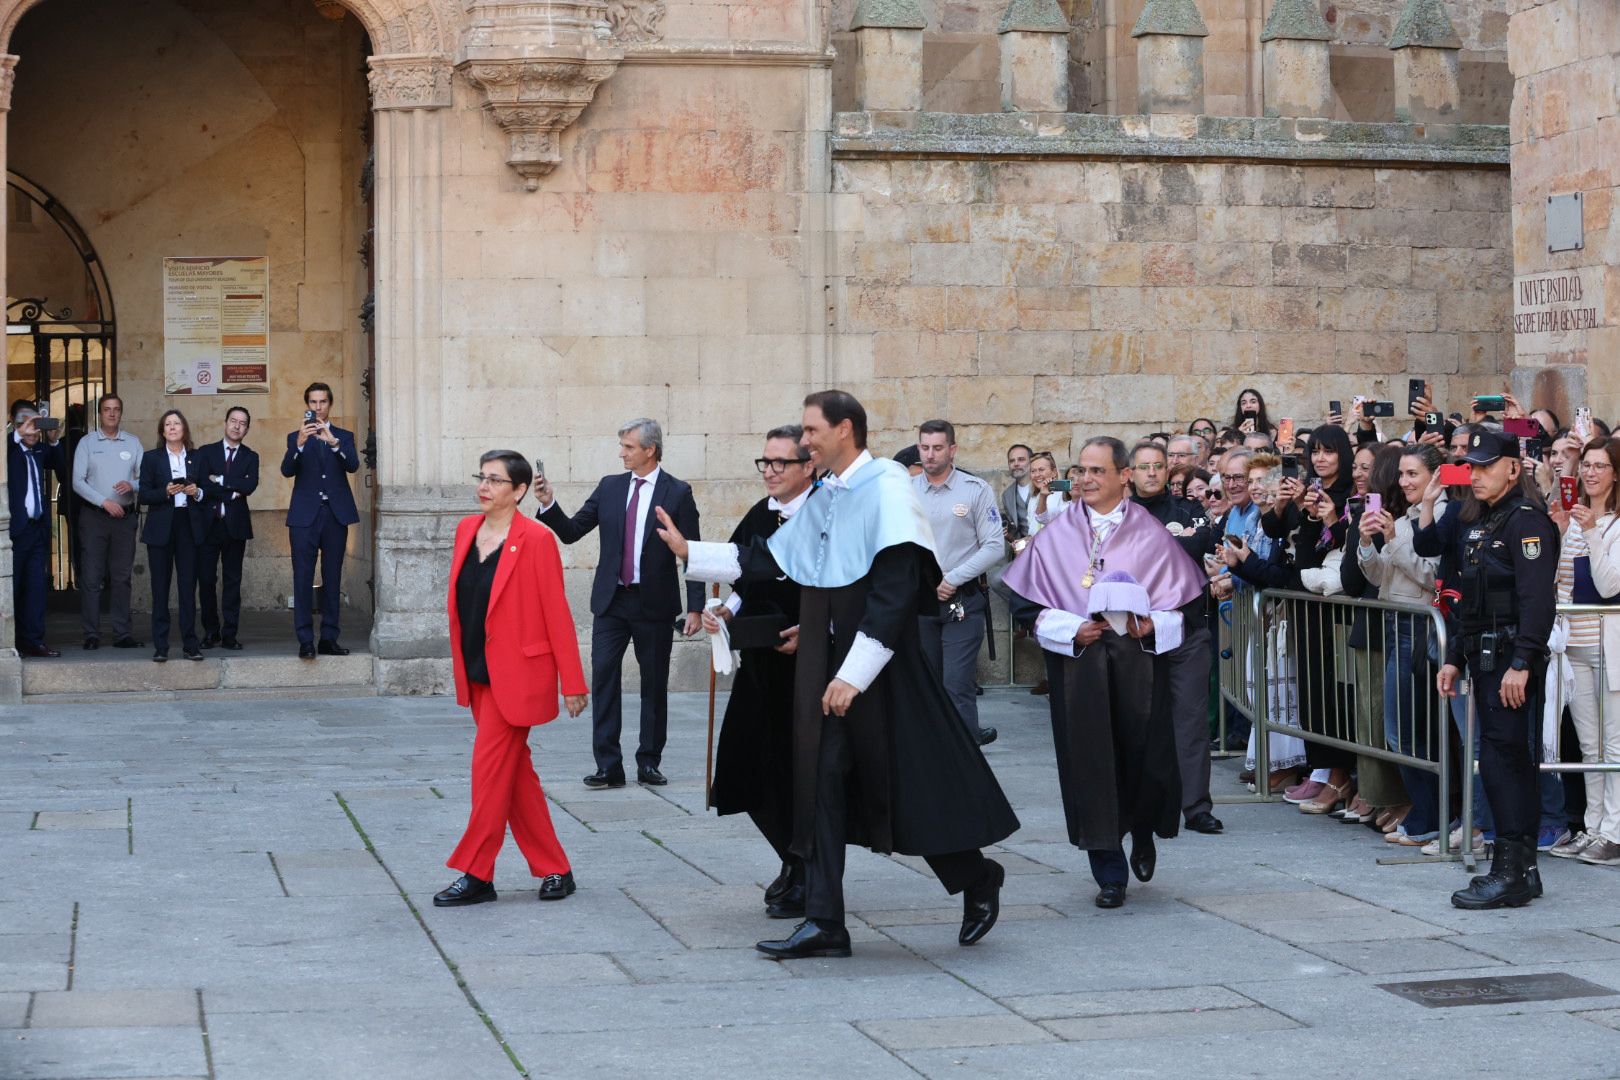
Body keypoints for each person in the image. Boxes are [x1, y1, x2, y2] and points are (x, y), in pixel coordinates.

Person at [659, 390, 1018, 959]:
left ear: (844, 429)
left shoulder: (887, 489)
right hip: (829, 670)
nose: (804, 442)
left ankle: (976, 877)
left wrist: (853, 673)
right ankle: (827, 923)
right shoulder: (831, 493)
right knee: (822, 786)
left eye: (810, 430)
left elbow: (896, 592)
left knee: (904, 787)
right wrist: (690, 553)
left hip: (879, 673)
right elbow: (775, 558)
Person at [1007, 436, 1205, 907]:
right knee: (1091, 762)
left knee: (1141, 757)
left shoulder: (1150, 532)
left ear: (1124, 477)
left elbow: (1192, 607)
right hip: (1081, 669)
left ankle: (1141, 832)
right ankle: (1108, 869)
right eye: (1081, 471)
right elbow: (1022, 603)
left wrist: (1154, 623)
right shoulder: (1056, 533)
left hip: (1139, 667)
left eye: (1098, 471)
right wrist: (1070, 628)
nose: (1087, 480)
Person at [434, 450, 588, 908]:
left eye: (495, 480)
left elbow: (557, 614)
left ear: (519, 491)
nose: (484, 487)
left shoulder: (537, 540)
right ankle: (556, 867)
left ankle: (477, 872)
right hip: (479, 672)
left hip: (519, 675)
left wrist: (573, 682)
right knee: (514, 774)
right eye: (481, 477)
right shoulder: (466, 531)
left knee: (487, 770)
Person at [535, 418, 702, 788]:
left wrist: (695, 607)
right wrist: (549, 503)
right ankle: (608, 765)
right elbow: (573, 531)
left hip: (654, 604)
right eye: (622, 446)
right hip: (611, 603)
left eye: (628, 447)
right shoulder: (610, 487)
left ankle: (649, 761)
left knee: (653, 684)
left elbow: (694, 553)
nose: (621, 453)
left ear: (650, 450)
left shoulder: (677, 493)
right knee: (604, 679)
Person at [1437, 431, 1558, 909]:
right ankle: (1519, 869)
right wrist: (1452, 657)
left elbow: (1536, 601)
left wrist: (1522, 663)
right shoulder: (1481, 521)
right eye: (1472, 467)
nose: (1476, 475)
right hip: (1484, 658)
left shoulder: (1525, 522)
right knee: (1499, 760)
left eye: (1486, 466)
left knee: (1506, 763)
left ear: (1513, 468)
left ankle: (1511, 870)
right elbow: (1470, 601)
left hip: (1511, 661)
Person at [704, 426, 814, 918]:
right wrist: (724, 610)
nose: (769, 471)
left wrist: (814, 630)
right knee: (744, 765)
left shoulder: (826, 513)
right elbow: (742, 576)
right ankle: (790, 858)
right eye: (764, 463)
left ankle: (806, 870)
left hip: (810, 668)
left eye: (780, 463)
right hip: (759, 664)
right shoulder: (758, 514)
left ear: (807, 467)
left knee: (799, 774)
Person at [1357, 444, 1445, 845]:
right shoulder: (1407, 516)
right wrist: (1367, 543)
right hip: (1395, 621)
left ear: (1433, 477)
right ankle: (1426, 813)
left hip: (1419, 625)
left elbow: (1431, 575)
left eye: (1414, 474)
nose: (1405, 482)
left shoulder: (1439, 514)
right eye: (1403, 475)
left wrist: (1394, 539)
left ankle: (1428, 815)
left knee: (1405, 731)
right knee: (1402, 731)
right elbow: (1379, 578)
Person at [1546, 437, 1620, 866]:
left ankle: (1613, 830)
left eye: (1600, 465)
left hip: (1608, 645)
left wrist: (1591, 530)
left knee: (1613, 745)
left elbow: (1610, 586)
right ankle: (1593, 828)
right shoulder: (1577, 518)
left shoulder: (1607, 522)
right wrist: (1567, 530)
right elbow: (1564, 581)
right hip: (1574, 642)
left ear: (1615, 473)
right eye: (1587, 464)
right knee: (1589, 745)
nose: (1590, 472)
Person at [914, 419, 1004, 746]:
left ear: (952, 449)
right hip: (921, 603)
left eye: (938, 448)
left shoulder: (974, 490)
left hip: (959, 603)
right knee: (927, 683)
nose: (930, 454)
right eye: (924, 447)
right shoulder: (907, 493)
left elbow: (994, 545)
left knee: (956, 683)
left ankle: (965, 754)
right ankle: (932, 753)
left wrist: (951, 579)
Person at [281, 381, 360, 659]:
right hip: (304, 516)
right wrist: (300, 446)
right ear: (307, 406)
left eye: (322, 402)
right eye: (313, 403)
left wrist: (334, 443)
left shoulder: (344, 436)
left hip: (335, 514)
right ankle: (305, 640)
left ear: (330, 404)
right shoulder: (295, 436)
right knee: (302, 576)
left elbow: (353, 465)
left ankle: (329, 637)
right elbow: (287, 470)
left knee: (332, 576)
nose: (318, 407)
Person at [72, 394, 142, 651]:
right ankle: (91, 634)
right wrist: (104, 502)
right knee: (91, 577)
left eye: (116, 410)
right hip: (94, 518)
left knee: (122, 578)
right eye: (106, 410)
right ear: (99, 414)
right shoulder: (87, 443)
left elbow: (147, 478)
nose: (111, 414)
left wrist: (132, 484)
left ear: (121, 413)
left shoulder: (133, 443)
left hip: (124, 519)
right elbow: (77, 481)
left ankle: (122, 633)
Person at [139, 410, 206, 663]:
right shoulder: (151, 458)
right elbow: (144, 494)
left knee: (188, 587)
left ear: (184, 429)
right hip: (161, 527)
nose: (172, 427)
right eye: (167, 424)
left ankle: (190, 643)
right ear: (162, 431)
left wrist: (196, 491)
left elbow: (208, 490)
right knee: (160, 588)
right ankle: (161, 645)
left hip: (188, 525)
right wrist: (164, 491)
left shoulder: (197, 458)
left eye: (177, 423)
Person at [195, 407, 259, 650]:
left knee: (233, 581)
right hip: (209, 526)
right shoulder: (206, 453)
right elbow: (202, 484)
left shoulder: (250, 457)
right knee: (207, 580)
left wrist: (219, 481)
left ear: (247, 429)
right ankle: (211, 631)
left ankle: (230, 633)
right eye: (233, 421)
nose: (237, 426)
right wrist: (233, 489)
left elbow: (250, 485)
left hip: (236, 527)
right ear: (225, 423)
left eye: (242, 423)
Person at [8, 402, 66, 657]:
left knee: (35, 589)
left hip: (37, 531)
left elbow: (62, 470)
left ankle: (33, 640)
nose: (33, 432)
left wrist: (53, 442)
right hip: (15, 531)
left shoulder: (41, 449)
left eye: (36, 426)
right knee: (13, 587)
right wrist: (17, 435)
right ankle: (10, 641)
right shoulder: (8, 449)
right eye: (27, 425)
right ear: (15, 423)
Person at [1001, 443, 1033, 543]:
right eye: (1012, 461)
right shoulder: (1007, 495)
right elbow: (1016, 531)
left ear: (1031, 462)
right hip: (1025, 551)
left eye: (1021, 459)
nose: (1016, 464)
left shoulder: (1045, 487)